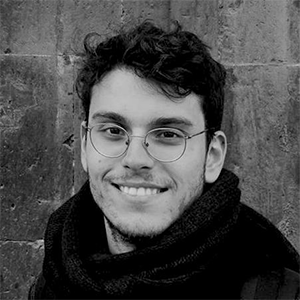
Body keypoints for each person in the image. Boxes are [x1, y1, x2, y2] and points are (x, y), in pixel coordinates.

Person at [29, 21, 300, 299]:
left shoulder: (275, 292)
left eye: (168, 134)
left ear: (212, 156)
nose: (135, 159)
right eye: (112, 131)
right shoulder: (56, 280)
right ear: (86, 144)